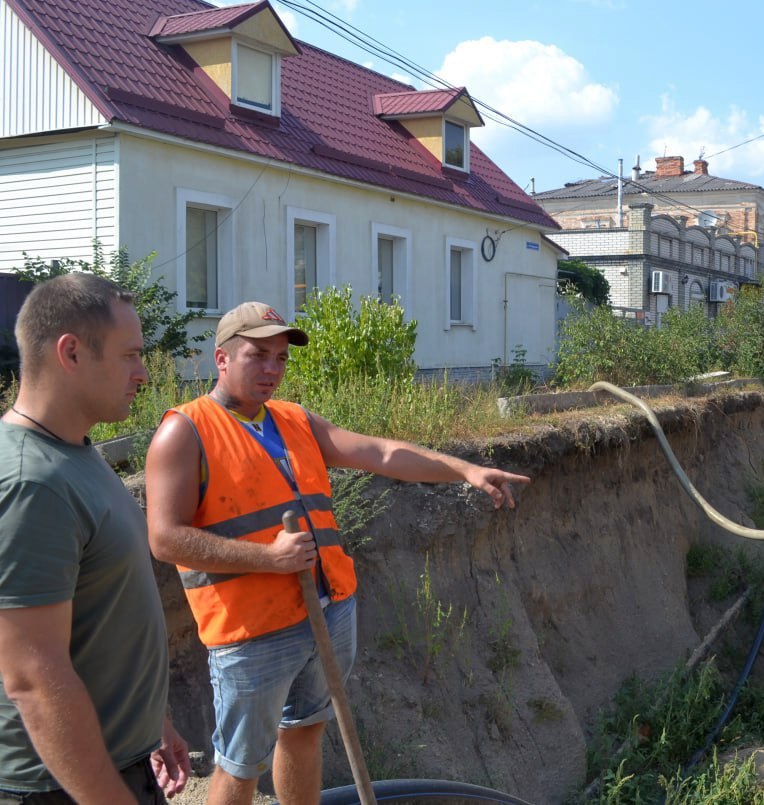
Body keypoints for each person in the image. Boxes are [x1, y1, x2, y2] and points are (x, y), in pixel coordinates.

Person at [144, 302, 531, 805]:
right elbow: (165, 538)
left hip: (326, 612)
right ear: (221, 358)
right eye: (257, 355)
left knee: (304, 732)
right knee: (241, 765)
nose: (271, 370)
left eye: (280, 359)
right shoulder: (185, 431)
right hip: (252, 630)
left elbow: (381, 453)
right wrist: (270, 558)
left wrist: (465, 470)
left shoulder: (293, 420)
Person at [0, 273, 189, 802]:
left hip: (113, 763)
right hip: (59, 787)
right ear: (72, 353)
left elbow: (104, 615)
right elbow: (34, 679)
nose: (143, 373)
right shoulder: (30, 483)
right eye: (130, 354)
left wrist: (154, 723)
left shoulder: (76, 454)